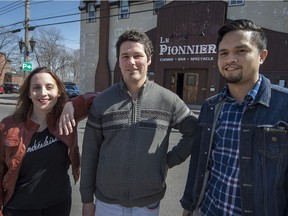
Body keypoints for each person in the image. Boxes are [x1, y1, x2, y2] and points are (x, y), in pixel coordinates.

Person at [80, 29, 198, 216]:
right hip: (106, 204)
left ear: (149, 59)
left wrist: (167, 161)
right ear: (119, 61)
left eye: (137, 55)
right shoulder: (102, 102)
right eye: (125, 56)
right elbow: (89, 153)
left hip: (148, 205)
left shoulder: (168, 100)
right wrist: (86, 200)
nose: (131, 62)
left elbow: (195, 132)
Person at [181, 19, 288, 216]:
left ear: (262, 56)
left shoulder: (284, 105)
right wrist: (189, 206)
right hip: (208, 210)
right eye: (224, 53)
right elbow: (199, 163)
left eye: (241, 51)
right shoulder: (211, 107)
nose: (230, 59)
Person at [0, 67, 98, 216]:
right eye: (36, 87)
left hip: (58, 205)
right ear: (29, 93)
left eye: (49, 87)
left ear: (58, 92)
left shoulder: (66, 118)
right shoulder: (8, 126)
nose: (43, 93)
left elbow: (100, 98)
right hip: (19, 208)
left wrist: (72, 104)